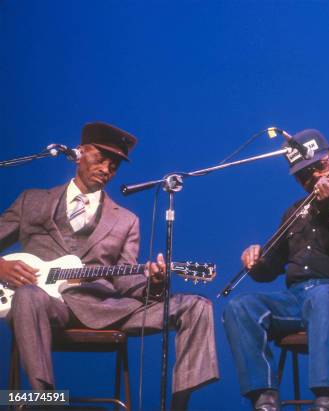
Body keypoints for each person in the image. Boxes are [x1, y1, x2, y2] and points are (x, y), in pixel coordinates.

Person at [0, 122, 219, 410]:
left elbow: (126, 283)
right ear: (79, 154)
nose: (106, 169)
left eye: (113, 165)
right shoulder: (32, 201)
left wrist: (155, 281)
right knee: (28, 296)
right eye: (100, 159)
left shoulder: (125, 220)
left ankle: (178, 405)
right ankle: (46, 402)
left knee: (197, 305)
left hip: (102, 308)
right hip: (42, 305)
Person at [222, 129, 329, 411]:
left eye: (318, 166)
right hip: (299, 300)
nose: (313, 177)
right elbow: (269, 267)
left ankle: (327, 401)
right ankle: (264, 399)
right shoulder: (295, 212)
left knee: (324, 295)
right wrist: (254, 260)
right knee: (240, 307)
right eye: (303, 174)